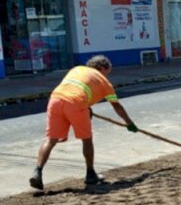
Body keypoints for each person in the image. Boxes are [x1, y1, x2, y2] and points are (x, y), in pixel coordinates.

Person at [29, 55, 138, 190]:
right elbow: (117, 106)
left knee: (51, 140)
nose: (108, 74)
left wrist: (86, 107)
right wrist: (129, 123)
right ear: (103, 68)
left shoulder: (77, 69)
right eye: (108, 71)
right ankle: (90, 174)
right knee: (86, 139)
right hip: (76, 103)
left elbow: (75, 89)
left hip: (55, 100)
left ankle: (37, 171)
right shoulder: (104, 81)